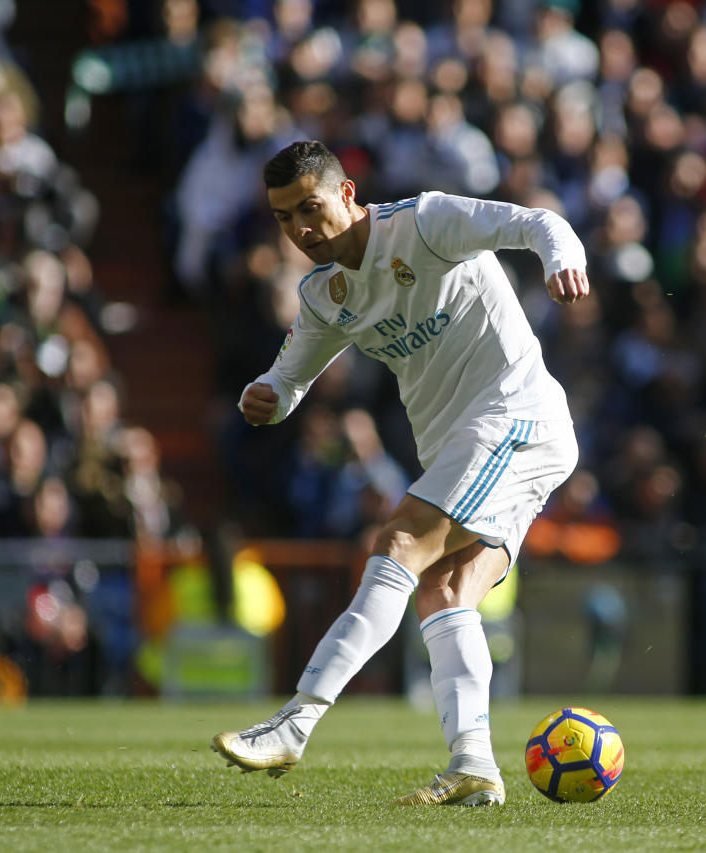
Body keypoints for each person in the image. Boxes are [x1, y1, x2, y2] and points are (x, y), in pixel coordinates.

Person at [211, 140, 589, 806]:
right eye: (283, 217)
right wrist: (265, 395)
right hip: (467, 443)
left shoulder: (425, 223)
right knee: (443, 590)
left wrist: (563, 257)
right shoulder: (327, 293)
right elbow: (288, 377)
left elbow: (536, 224)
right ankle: (474, 767)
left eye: (310, 207)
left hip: (513, 416)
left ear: (347, 193)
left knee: (397, 545)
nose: (300, 228)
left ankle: (295, 723)